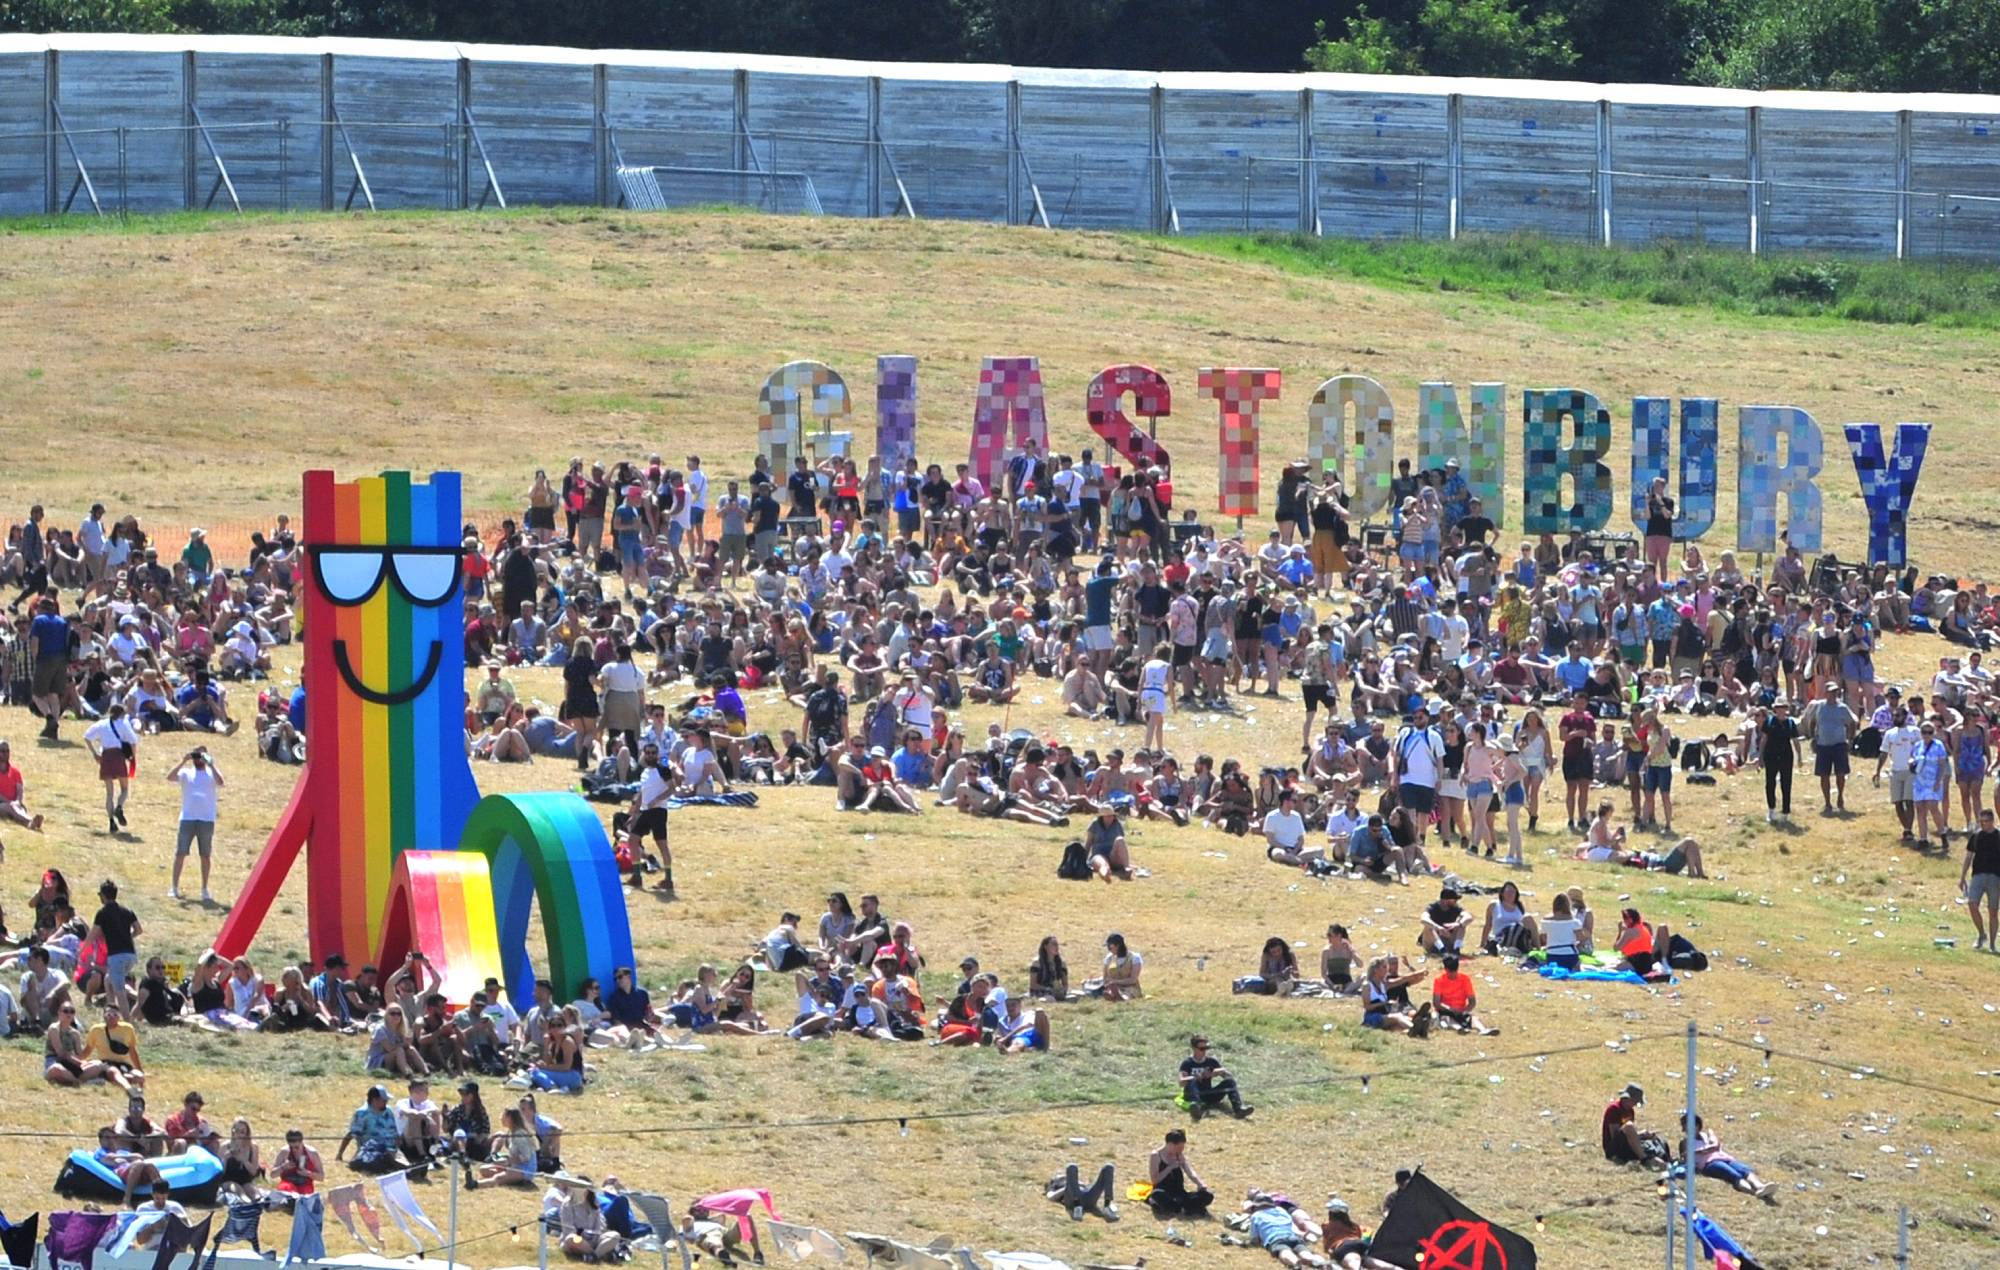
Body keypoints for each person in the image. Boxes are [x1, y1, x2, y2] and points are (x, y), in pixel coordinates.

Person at [166, 747, 222, 902]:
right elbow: (170, 777)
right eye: (196, 755)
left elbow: (221, 782)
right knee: (180, 853)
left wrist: (211, 764)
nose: (198, 759)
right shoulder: (186, 773)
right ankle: (174, 887)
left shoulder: (211, 774)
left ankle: (204, 889)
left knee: (205, 855)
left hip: (206, 820)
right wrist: (183, 761)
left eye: (201, 756)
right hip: (187, 818)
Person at [1682, 1114, 1778, 1202]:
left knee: (1745, 1170)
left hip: (1725, 1158)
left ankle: (1760, 1186)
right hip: (1709, 1164)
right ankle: (1755, 1192)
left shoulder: (1707, 1134)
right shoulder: (1685, 1142)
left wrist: (1700, 1151)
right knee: (1733, 1174)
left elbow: (1715, 1145)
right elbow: (1686, 1157)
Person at [84, 703, 140, 835]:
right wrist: (132, 757)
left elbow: (87, 737)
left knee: (109, 793)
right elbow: (133, 741)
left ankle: (111, 821)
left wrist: (94, 753)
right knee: (124, 788)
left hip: (106, 756)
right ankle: (119, 807)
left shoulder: (101, 724)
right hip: (118, 756)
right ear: (122, 714)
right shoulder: (123, 724)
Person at [89, 880, 141, 1014]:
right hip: (131, 955)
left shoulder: (102, 913)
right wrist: (128, 937)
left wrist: (82, 950)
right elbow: (138, 929)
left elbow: (92, 935)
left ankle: (127, 1020)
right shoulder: (127, 911)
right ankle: (112, 1010)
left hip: (116, 957)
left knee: (120, 991)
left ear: (103, 895)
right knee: (108, 980)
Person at [1805, 684, 1856, 813]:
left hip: (1839, 744)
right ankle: (1827, 802)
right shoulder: (1819, 707)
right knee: (1824, 775)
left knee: (1841, 773)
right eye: (1831, 692)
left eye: (1835, 692)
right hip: (1823, 745)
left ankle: (1840, 797)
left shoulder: (1842, 708)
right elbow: (1812, 722)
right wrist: (1813, 737)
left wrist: (1850, 739)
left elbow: (1852, 722)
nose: (1833, 694)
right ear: (1825, 693)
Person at [1178, 1035, 1253, 1118]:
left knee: (1230, 1082)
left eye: (1206, 1048)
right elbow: (1181, 1082)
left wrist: (1221, 1072)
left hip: (1208, 1094)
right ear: (1194, 1048)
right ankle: (1197, 1108)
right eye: (1202, 1049)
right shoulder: (1187, 1063)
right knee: (1192, 1081)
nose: (1204, 1051)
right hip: (1192, 1095)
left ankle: (1239, 1109)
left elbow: (1229, 1078)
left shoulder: (1211, 1061)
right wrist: (1195, 1077)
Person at [336, 1085, 404, 1173]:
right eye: (383, 1100)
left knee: (405, 1165)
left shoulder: (389, 1111)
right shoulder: (362, 1114)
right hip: (373, 1151)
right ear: (374, 1100)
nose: (386, 1102)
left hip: (392, 1151)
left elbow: (394, 1132)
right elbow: (351, 1135)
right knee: (393, 1166)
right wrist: (340, 1154)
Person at [1145, 1129, 1213, 1216]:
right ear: (1170, 1144)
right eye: (1179, 1148)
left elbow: (1190, 1172)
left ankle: (1180, 1207)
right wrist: (1170, 1167)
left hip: (1179, 1193)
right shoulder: (1156, 1155)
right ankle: (1184, 1208)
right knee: (1158, 1195)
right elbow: (1155, 1180)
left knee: (1207, 1196)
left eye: (1182, 1148)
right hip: (1163, 1191)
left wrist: (1200, 1184)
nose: (1181, 1150)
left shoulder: (1179, 1155)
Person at [1602, 1082, 1667, 1169]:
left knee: (1655, 1139)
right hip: (1614, 1148)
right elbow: (1615, 1134)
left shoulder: (1630, 1111)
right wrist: (1639, 1135)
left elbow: (1630, 1134)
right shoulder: (1614, 1109)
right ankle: (1644, 1159)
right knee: (1629, 1126)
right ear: (1629, 1099)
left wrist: (1643, 1135)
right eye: (1635, 1102)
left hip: (1625, 1145)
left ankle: (1661, 1158)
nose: (1635, 1105)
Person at [1428, 954, 1497, 1035]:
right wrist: (1450, 1009)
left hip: (1461, 1010)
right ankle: (1459, 1029)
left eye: (1455, 972)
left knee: (1473, 1018)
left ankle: (1483, 1029)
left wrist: (1464, 1010)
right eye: (1450, 972)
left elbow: (1472, 1001)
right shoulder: (1439, 980)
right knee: (1446, 1019)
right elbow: (1436, 1003)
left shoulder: (1465, 979)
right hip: (1445, 1010)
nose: (1453, 975)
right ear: (1446, 969)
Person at [1961, 807, 2000, 952]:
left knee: (1993, 911)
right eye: (1981, 821)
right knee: (1972, 904)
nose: (1983, 824)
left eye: (1986, 821)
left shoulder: (1998, 836)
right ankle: (1981, 934)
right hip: (1977, 875)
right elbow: (1968, 856)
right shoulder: (1976, 836)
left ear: (1992, 821)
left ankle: (1992, 944)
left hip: (1995, 877)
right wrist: (1962, 876)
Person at [1246, 1197, 1319, 1269]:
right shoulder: (1281, 1210)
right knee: (1301, 1249)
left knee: (1283, 1250)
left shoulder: (1256, 1215)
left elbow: (1255, 1239)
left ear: (1256, 1206)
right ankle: (1313, 1260)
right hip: (1292, 1236)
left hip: (1275, 1238)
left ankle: (1295, 1263)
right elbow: (1292, 1224)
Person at [1762, 698, 1801, 822]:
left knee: (1786, 784)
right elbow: (1764, 739)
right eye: (1778, 707)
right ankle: (1771, 809)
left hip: (1786, 756)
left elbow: (1795, 740)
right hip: (1771, 755)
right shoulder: (1769, 722)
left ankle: (1785, 812)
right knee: (1770, 783)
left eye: (1783, 707)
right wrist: (1760, 756)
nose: (1780, 710)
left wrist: (1799, 756)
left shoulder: (1790, 723)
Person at [1418, 886, 1471, 955]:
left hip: (1448, 939)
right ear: (1445, 901)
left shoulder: (1455, 908)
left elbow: (1468, 917)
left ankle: (1456, 949)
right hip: (1432, 942)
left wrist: (1458, 924)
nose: (1456, 902)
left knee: (1462, 924)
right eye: (1454, 900)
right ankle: (1442, 951)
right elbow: (1423, 919)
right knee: (1428, 927)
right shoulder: (1433, 907)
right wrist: (1438, 928)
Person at [272, 1128, 324, 1196]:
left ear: (301, 1142)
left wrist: (308, 1173)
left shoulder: (312, 1153)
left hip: (305, 1185)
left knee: (304, 1193)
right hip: (288, 1185)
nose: (294, 1150)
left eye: (296, 1147)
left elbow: (321, 1177)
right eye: (291, 1147)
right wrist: (283, 1167)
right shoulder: (284, 1152)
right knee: (286, 1189)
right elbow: (272, 1175)